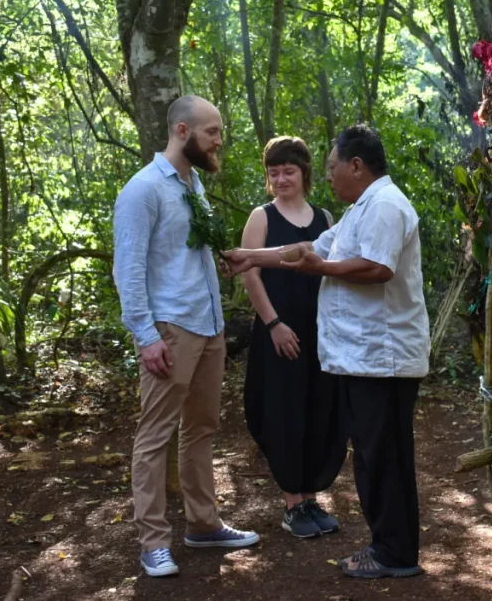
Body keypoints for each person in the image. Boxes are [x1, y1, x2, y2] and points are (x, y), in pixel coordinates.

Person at [223, 123, 430, 579]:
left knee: (385, 456)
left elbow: (377, 268)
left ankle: (394, 552)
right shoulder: (360, 209)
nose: (330, 176)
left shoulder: (385, 206)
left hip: (384, 358)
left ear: (357, 165)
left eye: (333, 167)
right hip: (364, 359)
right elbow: (307, 248)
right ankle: (389, 546)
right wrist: (251, 256)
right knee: (376, 455)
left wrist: (324, 267)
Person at [113, 95, 259, 578]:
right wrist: (146, 335)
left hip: (210, 323)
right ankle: (153, 542)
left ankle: (203, 524)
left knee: (202, 428)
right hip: (171, 330)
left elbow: (180, 254)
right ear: (182, 131)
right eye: (212, 131)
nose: (220, 139)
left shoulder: (193, 184)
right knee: (154, 436)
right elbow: (128, 269)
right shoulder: (143, 190)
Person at [240, 136, 346, 538]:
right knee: (284, 414)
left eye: (289, 171)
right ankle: (292, 504)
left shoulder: (324, 217)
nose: (281, 179)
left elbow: (334, 270)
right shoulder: (261, 217)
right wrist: (273, 324)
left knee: (319, 411)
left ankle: (310, 498)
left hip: (320, 334)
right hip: (278, 332)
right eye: (274, 172)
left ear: (304, 173)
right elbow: (250, 274)